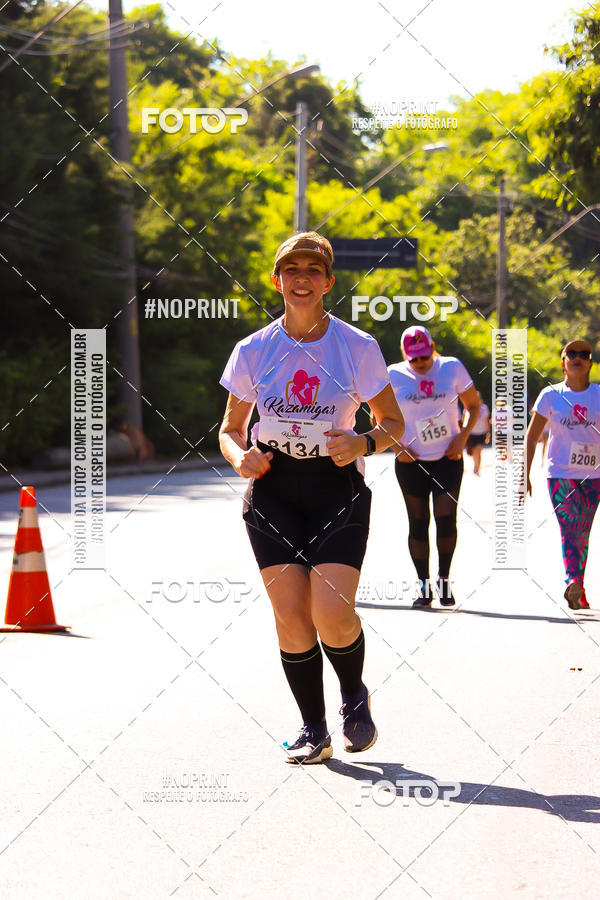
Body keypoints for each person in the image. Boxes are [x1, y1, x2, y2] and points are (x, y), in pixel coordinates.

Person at [218, 232, 405, 764]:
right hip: (273, 489)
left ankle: (353, 696)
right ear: (277, 280)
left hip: (335, 489)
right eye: (290, 269)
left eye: (312, 269)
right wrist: (240, 458)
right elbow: (230, 428)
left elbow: (394, 422)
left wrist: (363, 441)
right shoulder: (253, 349)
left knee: (331, 612)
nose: (301, 278)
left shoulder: (358, 347)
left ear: (327, 281)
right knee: (290, 616)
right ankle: (313, 729)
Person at [388, 326, 481, 608]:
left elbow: (474, 406)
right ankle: (424, 588)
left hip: (447, 459)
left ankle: (444, 579)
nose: (420, 363)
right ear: (405, 355)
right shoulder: (393, 375)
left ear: (433, 348)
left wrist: (462, 438)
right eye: (414, 359)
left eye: (425, 356)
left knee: (445, 518)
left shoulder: (451, 368)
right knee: (418, 523)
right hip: (410, 461)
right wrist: (397, 447)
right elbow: (377, 419)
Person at [526, 339, 600, 610]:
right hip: (560, 475)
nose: (577, 357)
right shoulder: (551, 396)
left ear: (590, 362)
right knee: (570, 529)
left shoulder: (599, 395)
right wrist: (525, 474)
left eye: (583, 354)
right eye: (571, 353)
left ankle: (577, 590)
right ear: (563, 362)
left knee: (583, 532)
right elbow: (532, 437)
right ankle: (572, 579)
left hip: (594, 477)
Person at [464, 393, 491, 475]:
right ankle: (476, 465)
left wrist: (488, 432)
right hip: (471, 433)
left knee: (478, 451)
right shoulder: (467, 408)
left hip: (481, 433)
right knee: (474, 452)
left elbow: (486, 421)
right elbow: (465, 422)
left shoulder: (484, 408)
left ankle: (477, 468)